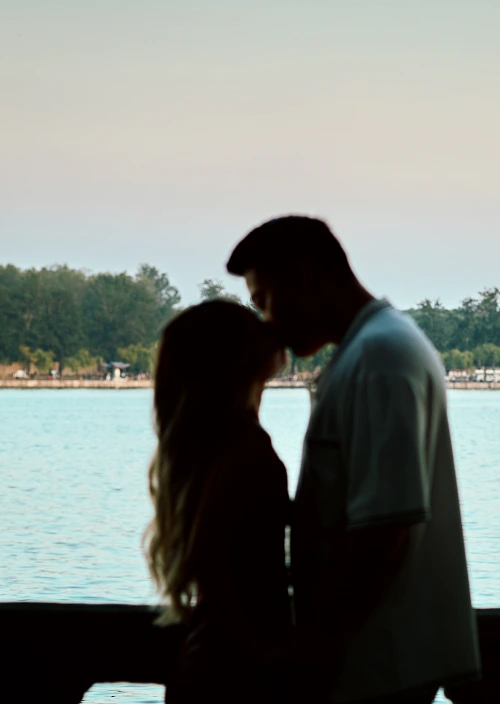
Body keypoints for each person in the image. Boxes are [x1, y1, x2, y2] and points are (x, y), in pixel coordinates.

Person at [227, 216, 480, 704]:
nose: (266, 322)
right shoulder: (378, 348)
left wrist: (316, 643)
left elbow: (387, 528)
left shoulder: (380, 358)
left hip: (375, 666)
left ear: (303, 278)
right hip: (376, 658)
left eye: (264, 301)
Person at [145, 301, 311, 703]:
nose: (271, 327)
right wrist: (267, 654)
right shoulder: (245, 445)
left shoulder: (216, 443)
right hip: (234, 674)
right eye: (254, 327)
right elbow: (212, 560)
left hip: (215, 665)